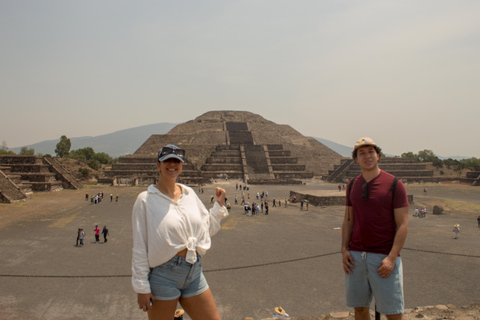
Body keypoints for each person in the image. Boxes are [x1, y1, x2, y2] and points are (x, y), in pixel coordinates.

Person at [132, 144, 228, 320]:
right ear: (158, 165)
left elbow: (205, 230)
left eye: (177, 161)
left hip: (194, 272)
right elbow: (140, 246)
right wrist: (141, 287)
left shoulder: (189, 194)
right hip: (163, 276)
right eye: (167, 160)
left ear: (182, 166)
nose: (172, 164)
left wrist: (218, 206)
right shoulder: (145, 200)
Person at [341, 137, 409, 320]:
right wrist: (344, 249)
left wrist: (392, 257)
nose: (367, 156)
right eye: (361, 153)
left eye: (371, 151)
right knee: (360, 310)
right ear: (356, 159)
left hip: (383, 257)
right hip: (356, 257)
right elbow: (348, 220)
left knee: (393, 312)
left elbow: (403, 224)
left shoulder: (395, 184)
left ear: (378, 155)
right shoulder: (352, 185)